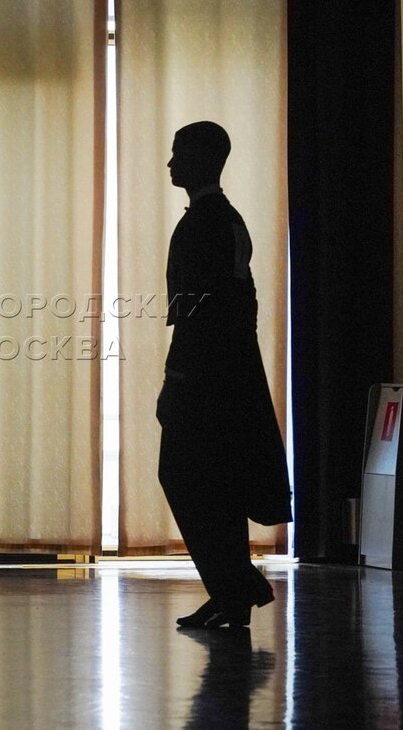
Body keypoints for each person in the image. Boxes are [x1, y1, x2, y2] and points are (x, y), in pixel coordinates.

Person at [155, 122, 292, 629]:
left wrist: (175, 381)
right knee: (218, 484)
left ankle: (235, 588)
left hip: (204, 378)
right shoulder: (225, 219)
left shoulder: (202, 225)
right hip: (229, 374)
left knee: (185, 477)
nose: (170, 163)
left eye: (177, 153)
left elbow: (198, 316)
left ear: (199, 159)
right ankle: (232, 591)